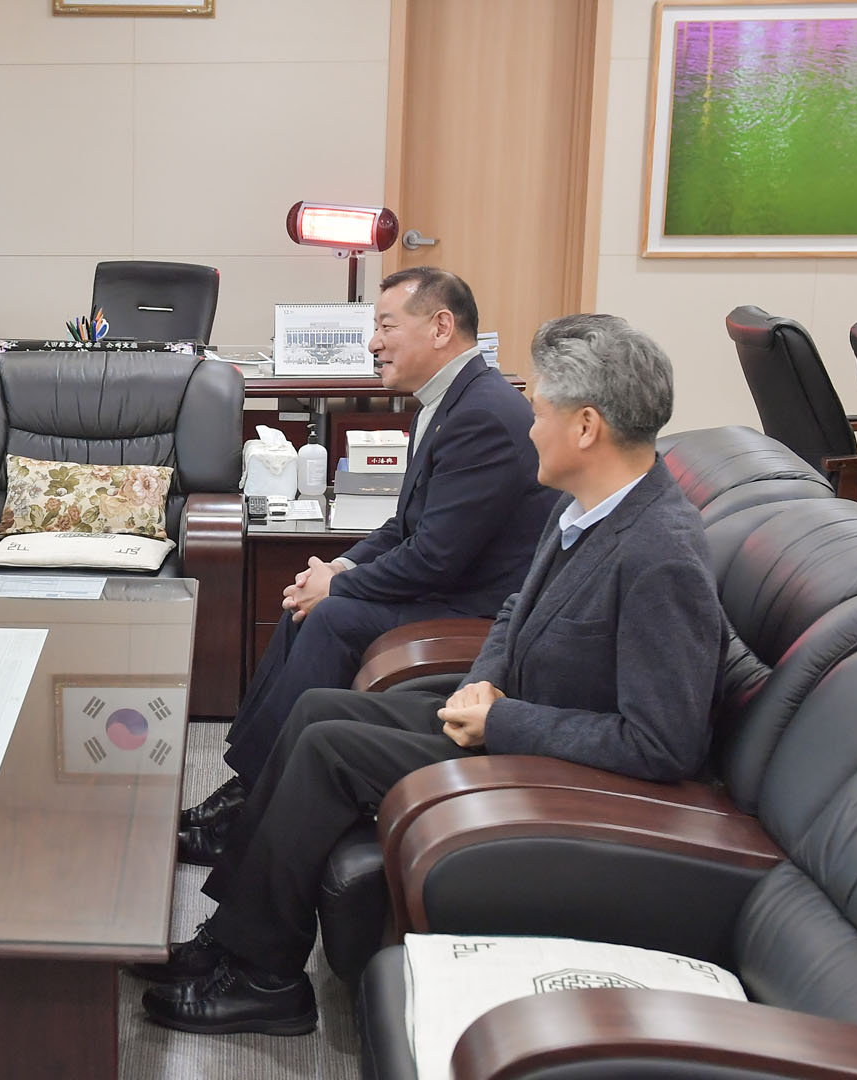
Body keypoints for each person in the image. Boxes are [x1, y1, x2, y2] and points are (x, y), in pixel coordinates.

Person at [137, 313, 725, 1036]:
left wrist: (501, 719)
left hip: (552, 767)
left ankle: (265, 978)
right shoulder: (586, 506)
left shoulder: (661, 553)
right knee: (316, 710)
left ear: (585, 427)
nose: (530, 428)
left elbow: (664, 745)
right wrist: (485, 678)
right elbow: (514, 610)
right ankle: (229, 936)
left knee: (329, 749)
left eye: (541, 412)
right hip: (507, 716)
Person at [181, 267, 557, 864]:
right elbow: (403, 527)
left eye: (386, 326)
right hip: (449, 585)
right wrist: (337, 566)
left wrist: (341, 586)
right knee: (307, 603)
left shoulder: (483, 414)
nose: (373, 343)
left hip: (476, 609)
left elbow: (434, 558)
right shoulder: (447, 401)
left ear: (441, 327)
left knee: (331, 616)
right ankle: (249, 785)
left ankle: (251, 804)